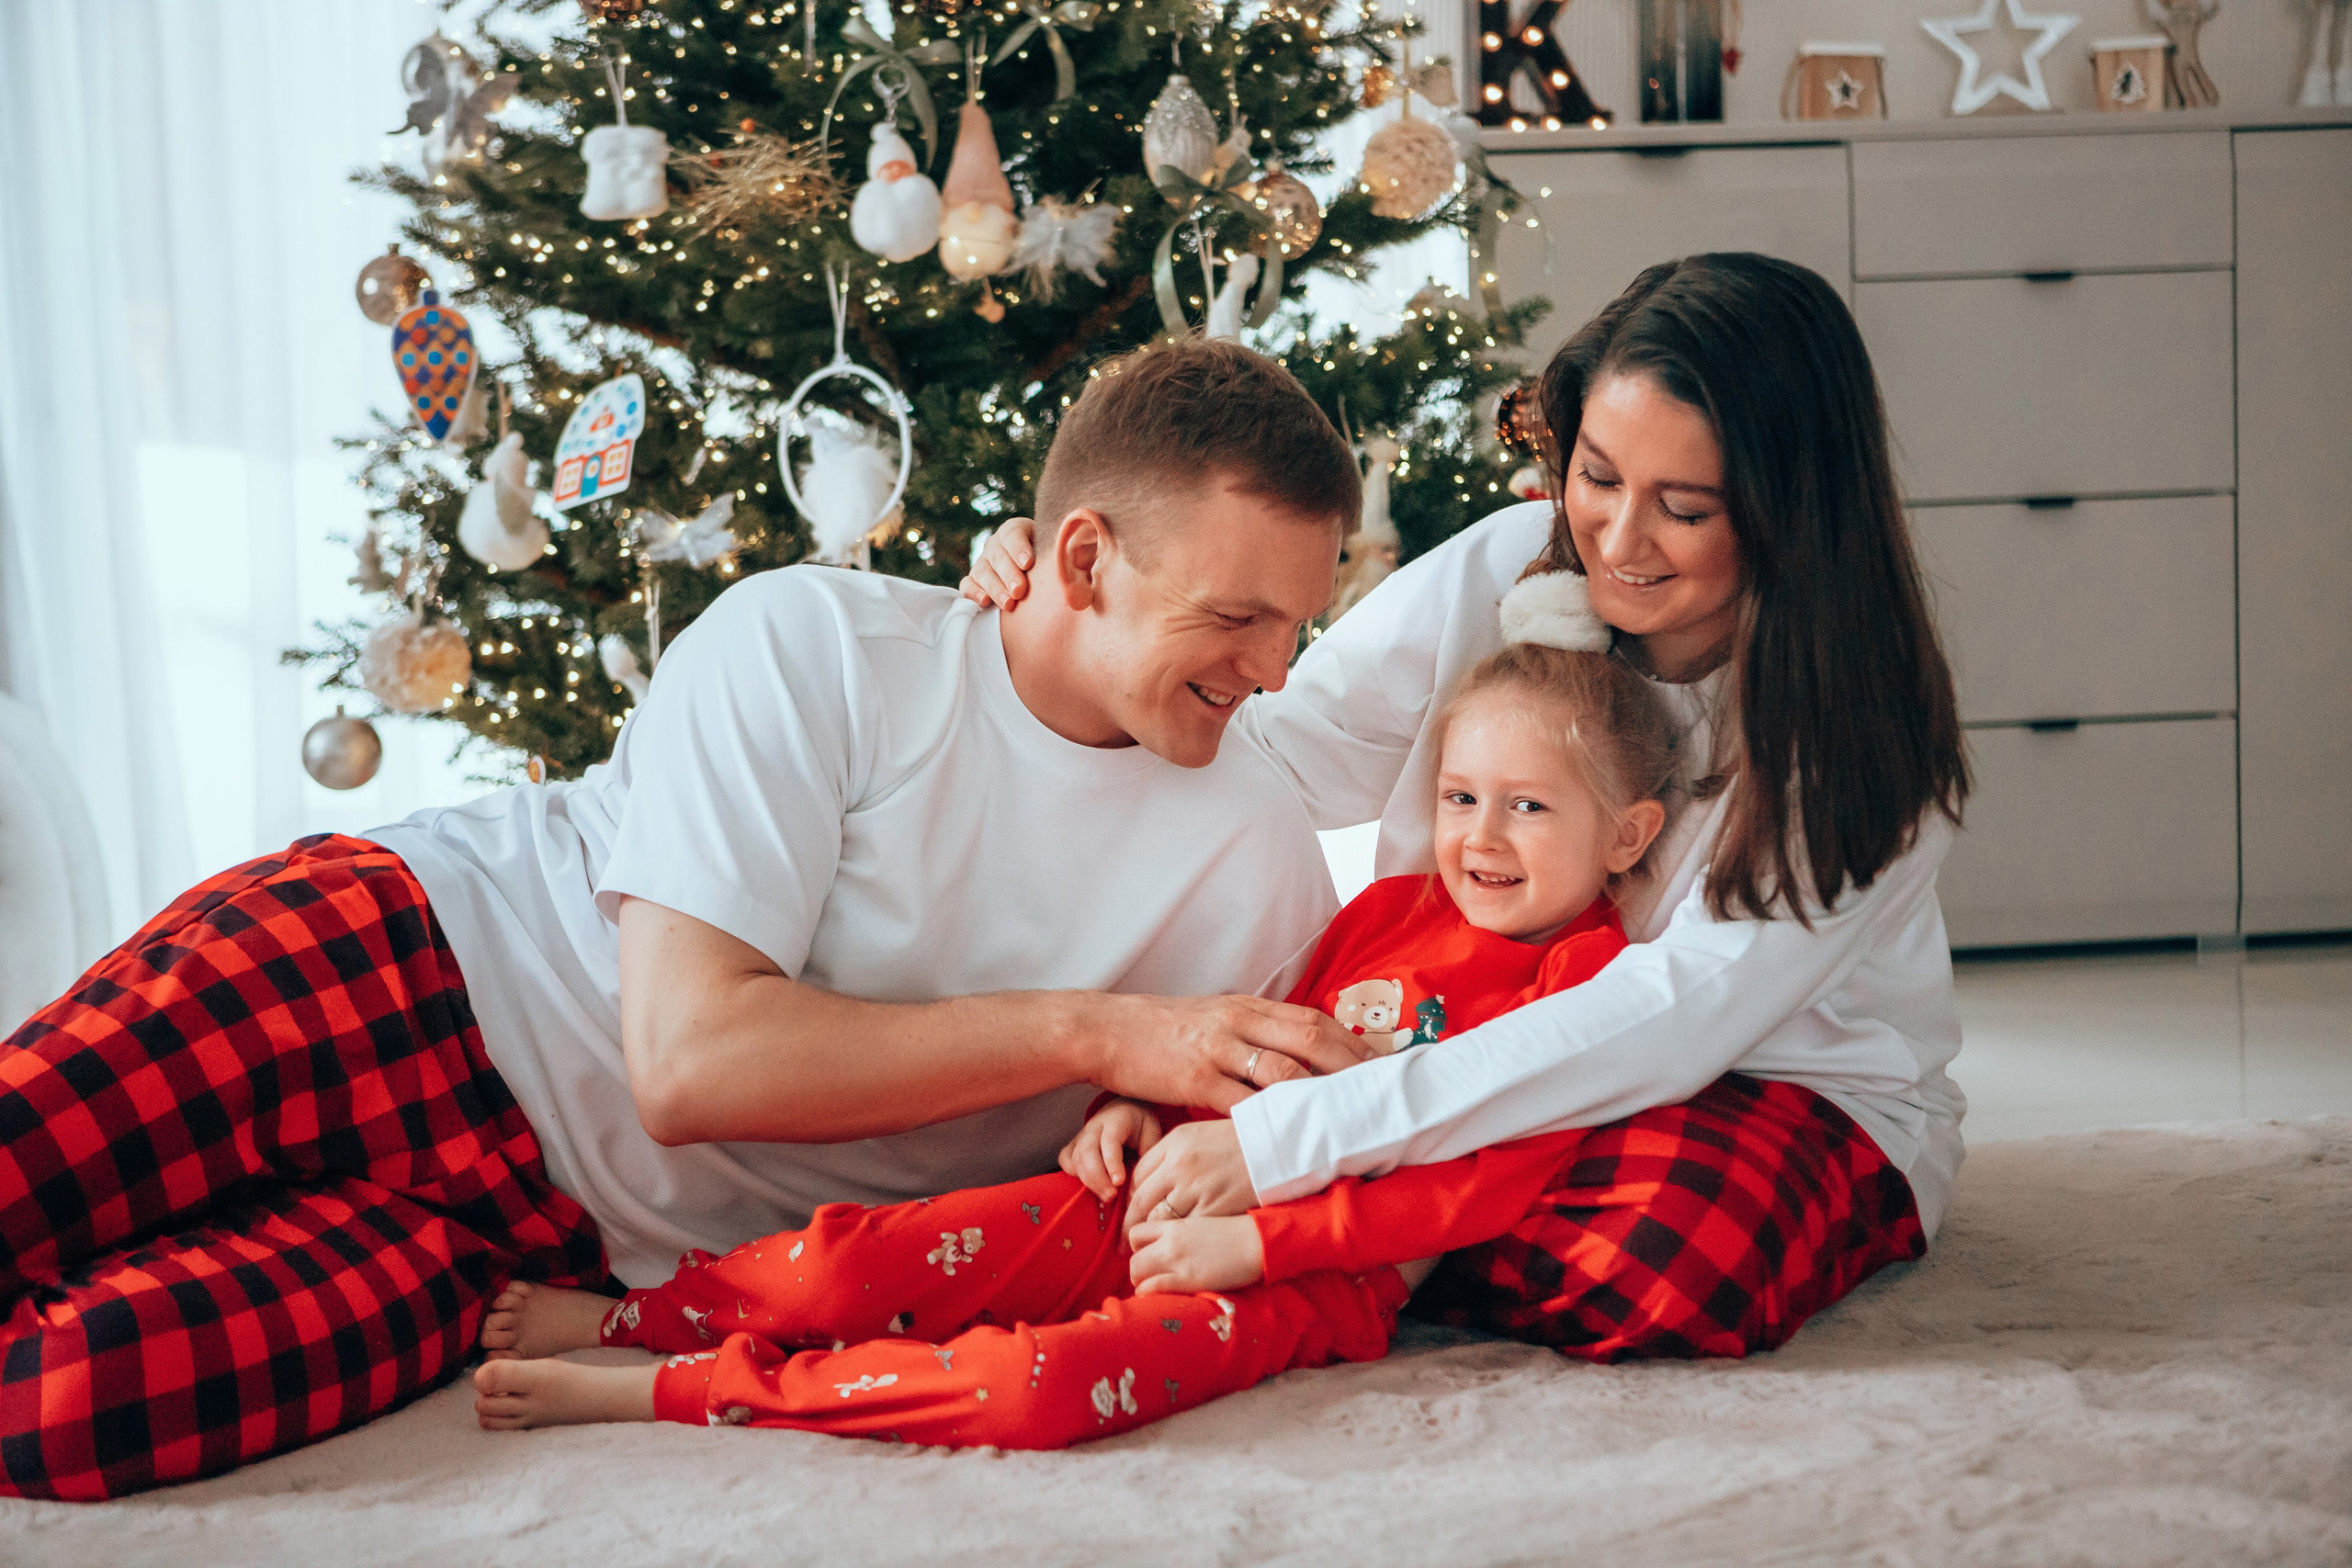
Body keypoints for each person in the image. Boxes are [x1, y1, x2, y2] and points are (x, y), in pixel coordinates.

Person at [0, 339, 1385, 1500]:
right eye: (1236, 616)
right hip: (401, 969)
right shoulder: (818, 646)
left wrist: (1149, 1110)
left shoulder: (1258, 864)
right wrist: (1104, 1033)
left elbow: (1255, 1156)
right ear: (1082, 560)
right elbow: (690, 1065)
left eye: (1297, 628)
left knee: (64, 1407)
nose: (1272, 672)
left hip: (528, 1242)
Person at [961, 253, 1969, 1357]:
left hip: (1742, 1088)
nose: (1618, 542)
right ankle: (1365, 1227)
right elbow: (1271, 753)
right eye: (1596, 477)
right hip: (1447, 1033)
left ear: (1790, 513)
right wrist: (1078, 611)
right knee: (1206, 1120)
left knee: (1664, 1256)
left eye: (1683, 509)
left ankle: (1345, 1233)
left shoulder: (1856, 737)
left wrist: (1287, 1140)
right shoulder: (1502, 569)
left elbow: (1672, 1023)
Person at [466, 585, 1743, 1446]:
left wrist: (1258, 1252)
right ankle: (635, 1318)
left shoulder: (1588, 982)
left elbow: (1476, 1186)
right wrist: (1133, 1101)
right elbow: (1258, 1029)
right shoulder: (1388, 908)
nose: (1481, 836)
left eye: (1530, 806)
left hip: (1300, 1282)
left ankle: (682, 1392)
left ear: (1628, 834)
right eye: (1461, 797)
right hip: (1153, 1190)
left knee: (1033, 1387)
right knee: (866, 1261)